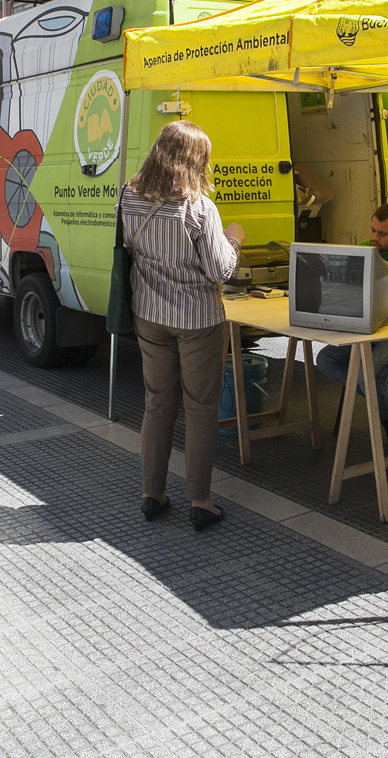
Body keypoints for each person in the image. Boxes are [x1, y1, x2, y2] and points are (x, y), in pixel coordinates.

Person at [120, 120, 244, 530]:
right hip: (197, 320)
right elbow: (220, 269)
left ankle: (151, 494)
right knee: (200, 408)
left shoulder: (129, 197)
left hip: (149, 314)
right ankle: (199, 501)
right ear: (195, 161)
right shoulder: (199, 208)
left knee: (157, 403)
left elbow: (129, 248)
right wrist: (234, 239)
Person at [313, 202, 388, 448]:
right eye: (372, 230)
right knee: (326, 360)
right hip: (370, 329)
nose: (374, 238)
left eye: (382, 234)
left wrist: (377, 294)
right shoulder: (364, 249)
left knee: (368, 372)